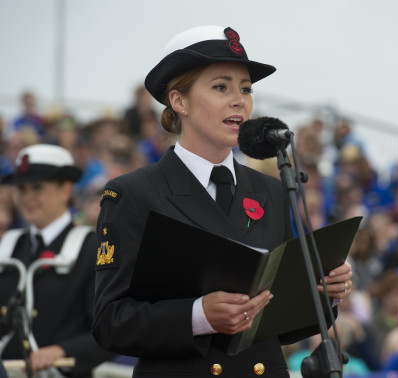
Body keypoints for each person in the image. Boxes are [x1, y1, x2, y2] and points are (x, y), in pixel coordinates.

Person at [91, 25, 353, 377]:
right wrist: (198, 316)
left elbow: (281, 326)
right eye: (221, 87)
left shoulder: (272, 190)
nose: (239, 100)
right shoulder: (133, 193)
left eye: (246, 89)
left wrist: (325, 293)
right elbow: (110, 321)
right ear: (178, 101)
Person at [0, 144, 114, 377]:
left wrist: (62, 350)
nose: (27, 197)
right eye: (21, 188)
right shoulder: (10, 245)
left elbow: (111, 329)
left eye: (37, 187)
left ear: (66, 189)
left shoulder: (91, 247)